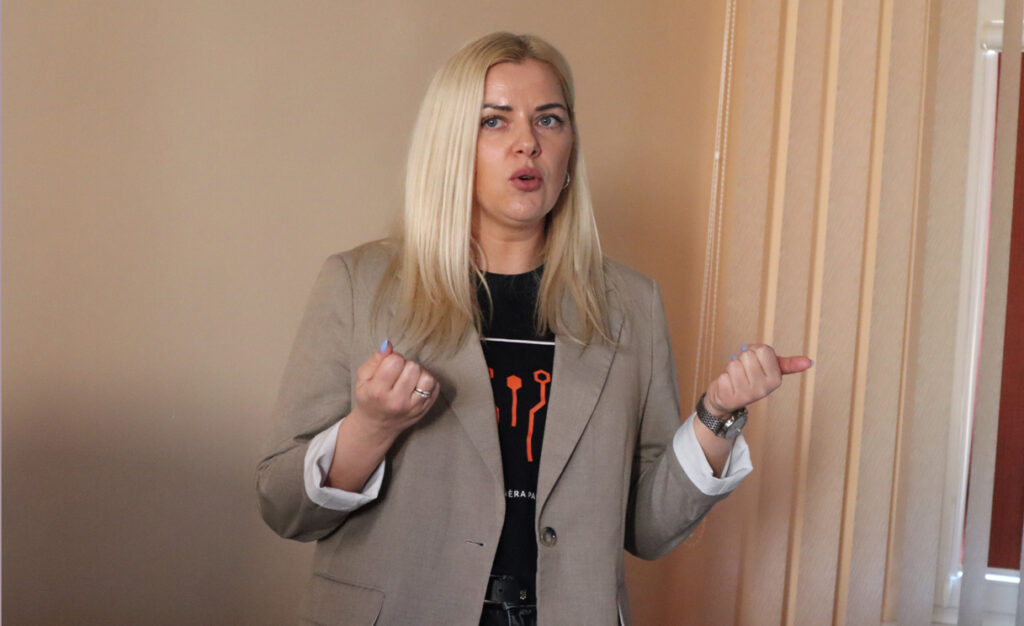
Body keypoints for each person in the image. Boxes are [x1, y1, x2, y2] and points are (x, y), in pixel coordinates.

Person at [256, 32, 812, 626]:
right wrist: (370, 427)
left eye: (549, 119)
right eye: (494, 121)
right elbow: (285, 507)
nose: (528, 143)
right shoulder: (359, 283)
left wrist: (716, 417)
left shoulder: (631, 304)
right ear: (451, 145)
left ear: (570, 149)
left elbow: (647, 531)